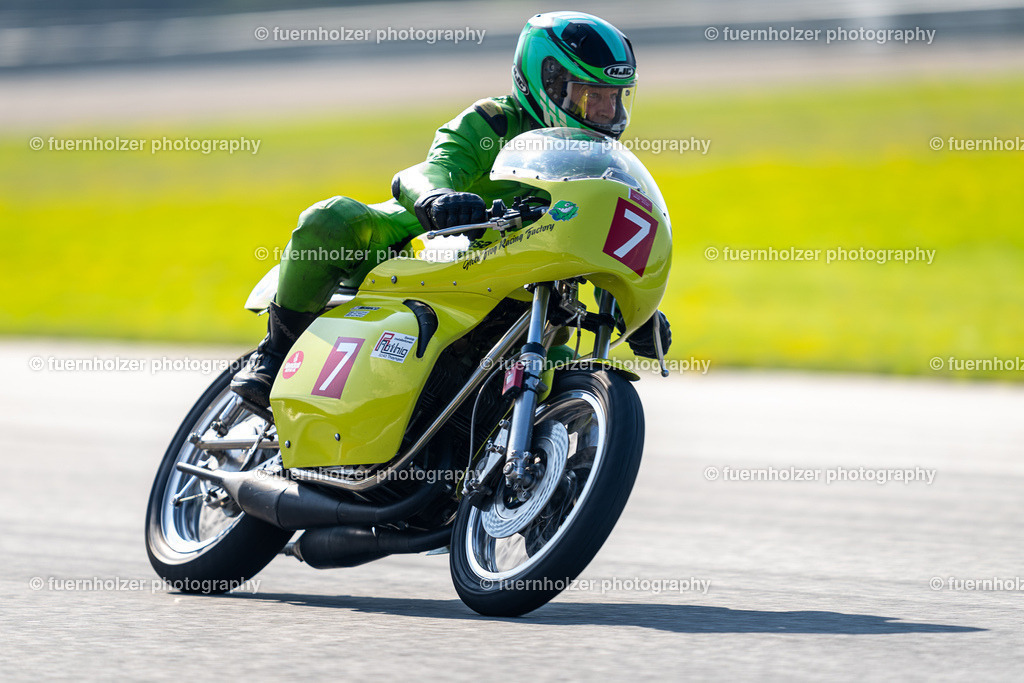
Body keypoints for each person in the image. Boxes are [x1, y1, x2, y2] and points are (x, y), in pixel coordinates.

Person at [231, 11, 672, 410]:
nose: (606, 112)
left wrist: (640, 312)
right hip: (436, 253)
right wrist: (437, 198)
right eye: (591, 96)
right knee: (330, 220)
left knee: (567, 376)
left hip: (526, 295)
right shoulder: (494, 120)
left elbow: (602, 236)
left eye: (615, 98)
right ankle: (275, 354)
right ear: (548, 81)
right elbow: (430, 170)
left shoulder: (600, 160)